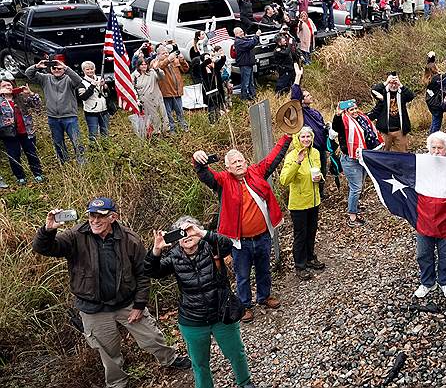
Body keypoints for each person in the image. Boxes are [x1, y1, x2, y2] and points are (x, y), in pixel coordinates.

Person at [32, 198, 191, 387]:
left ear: (113, 217)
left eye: (101, 216)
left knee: (151, 337)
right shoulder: (76, 235)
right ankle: (117, 383)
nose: (95, 220)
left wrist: (139, 305)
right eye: (92, 215)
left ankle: (170, 358)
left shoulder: (129, 239)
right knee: (108, 352)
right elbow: (45, 248)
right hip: (93, 308)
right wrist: (48, 230)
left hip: (127, 302)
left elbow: (142, 273)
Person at [145, 217, 257, 388]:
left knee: (236, 352)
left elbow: (228, 244)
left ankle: (245, 382)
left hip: (221, 313)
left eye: (189, 230)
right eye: (181, 233)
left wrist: (202, 234)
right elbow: (150, 271)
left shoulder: (210, 247)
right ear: (176, 239)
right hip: (192, 320)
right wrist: (156, 250)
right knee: (199, 363)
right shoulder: (174, 257)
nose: (187, 236)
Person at [192, 134, 291, 322]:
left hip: (262, 236)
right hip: (240, 242)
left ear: (246, 162)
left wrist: (286, 137)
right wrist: (198, 161)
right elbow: (206, 175)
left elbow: (273, 157)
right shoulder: (223, 181)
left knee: (264, 269)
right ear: (228, 167)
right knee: (243, 275)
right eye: (234, 162)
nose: (238, 164)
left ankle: (264, 296)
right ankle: (245, 304)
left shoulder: (256, 172)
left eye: (241, 160)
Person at [414, 132, 446, 299]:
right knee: (423, 253)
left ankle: (444, 282)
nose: (436, 151)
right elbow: (396, 165)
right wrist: (365, 157)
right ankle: (427, 283)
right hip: (425, 218)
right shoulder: (421, 163)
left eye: (440, 148)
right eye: (433, 148)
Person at [280, 126, 324, 281]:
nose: (306, 139)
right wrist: (297, 162)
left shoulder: (316, 153)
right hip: (298, 204)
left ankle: (311, 258)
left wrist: (320, 178)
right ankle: (300, 265)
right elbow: (284, 180)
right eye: (303, 137)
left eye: (308, 137)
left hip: (314, 200)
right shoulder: (292, 156)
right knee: (301, 234)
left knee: (312, 231)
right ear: (297, 139)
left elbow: (319, 172)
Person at [332, 100, 381, 227]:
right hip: (350, 159)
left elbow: (374, 114)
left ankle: (355, 205)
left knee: (359, 185)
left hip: (363, 157)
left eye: (355, 109)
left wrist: (380, 100)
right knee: (356, 187)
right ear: (346, 112)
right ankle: (352, 217)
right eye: (351, 110)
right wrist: (337, 115)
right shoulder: (344, 122)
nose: (354, 112)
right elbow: (335, 127)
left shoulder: (362, 119)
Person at [25, 58, 84, 163]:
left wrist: (66, 68)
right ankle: (64, 162)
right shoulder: (45, 78)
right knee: (58, 142)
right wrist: (37, 67)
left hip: (69, 116)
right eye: (54, 68)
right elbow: (28, 74)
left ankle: (81, 162)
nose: (57, 70)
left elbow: (78, 80)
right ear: (50, 69)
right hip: (53, 118)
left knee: (77, 141)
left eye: (59, 68)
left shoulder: (69, 79)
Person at [291, 64, 328, 191]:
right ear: (301, 100)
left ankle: (320, 194)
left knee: (322, 170)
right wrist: (298, 76)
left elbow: (322, 128)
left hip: (321, 148)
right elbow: (295, 97)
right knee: (310, 172)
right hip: (309, 148)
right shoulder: (300, 111)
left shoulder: (315, 112)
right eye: (307, 95)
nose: (310, 96)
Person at [0, 79, 44, 184]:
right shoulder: (1, 101)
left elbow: (37, 106)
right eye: (4, 85)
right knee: (14, 155)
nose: (7, 87)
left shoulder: (21, 98)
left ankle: (38, 174)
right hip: (9, 134)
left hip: (26, 131)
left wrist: (30, 93)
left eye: (9, 85)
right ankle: (20, 177)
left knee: (31, 153)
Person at [368, 73, 415, 152]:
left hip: (400, 130)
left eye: (395, 84)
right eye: (391, 83)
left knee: (402, 153)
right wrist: (386, 82)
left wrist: (400, 84)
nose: (393, 86)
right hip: (385, 131)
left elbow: (411, 96)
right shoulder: (383, 94)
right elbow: (373, 91)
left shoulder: (402, 93)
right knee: (383, 153)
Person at [156, 43, 190, 132]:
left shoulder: (175, 61)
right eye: (163, 53)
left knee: (180, 112)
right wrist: (168, 59)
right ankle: (171, 130)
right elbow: (160, 66)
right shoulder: (157, 62)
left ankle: (184, 128)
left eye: (167, 52)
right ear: (158, 55)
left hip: (177, 92)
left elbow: (186, 70)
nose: (166, 54)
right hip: (166, 93)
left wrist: (182, 60)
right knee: (168, 114)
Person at [133, 58, 171, 134]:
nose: (144, 66)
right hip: (145, 101)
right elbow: (133, 89)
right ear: (138, 66)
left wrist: (157, 69)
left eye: (145, 64)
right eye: (142, 65)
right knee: (151, 119)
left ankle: (165, 132)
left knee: (163, 116)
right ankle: (155, 134)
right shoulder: (135, 76)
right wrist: (137, 99)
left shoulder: (153, 72)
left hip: (157, 98)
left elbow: (162, 77)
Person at [78, 61, 110, 141]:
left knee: (105, 132)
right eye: (87, 69)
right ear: (83, 70)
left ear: (95, 69)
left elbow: (107, 94)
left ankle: (106, 148)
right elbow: (83, 97)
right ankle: (94, 150)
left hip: (104, 110)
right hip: (91, 112)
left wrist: (105, 87)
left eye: (91, 69)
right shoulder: (82, 83)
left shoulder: (100, 78)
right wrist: (92, 86)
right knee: (93, 133)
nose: (90, 71)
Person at [423, 53, 446, 134]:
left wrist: (431, 58)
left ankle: (431, 136)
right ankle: (433, 138)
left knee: (434, 119)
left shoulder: (427, 78)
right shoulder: (437, 79)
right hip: (437, 103)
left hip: (431, 102)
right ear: (434, 69)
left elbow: (429, 66)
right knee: (437, 122)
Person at [233, 27, 258, 101]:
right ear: (236, 34)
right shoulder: (238, 42)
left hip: (248, 63)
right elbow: (250, 44)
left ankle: (252, 95)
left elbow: (253, 42)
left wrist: (256, 37)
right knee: (245, 82)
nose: (242, 32)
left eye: (242, 31)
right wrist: (256, 36)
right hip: (244, 64)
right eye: (241, 32)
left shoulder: (243, 39)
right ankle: (244, 98)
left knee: (251, 82)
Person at [201, 52, 227, 124]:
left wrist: (222, 55)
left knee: (218, 106)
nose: (209, 59)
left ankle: (218, 122)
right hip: (209, 92)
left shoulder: (215, 66)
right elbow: (204, 64)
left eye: (209, 57)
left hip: (218, 91)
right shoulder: (202, 68)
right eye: (206, 58)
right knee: (211, 107)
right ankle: (212, 122)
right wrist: (210, 59)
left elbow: (222, 61)